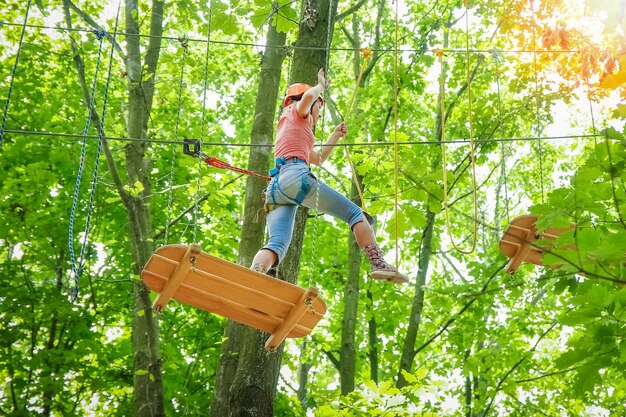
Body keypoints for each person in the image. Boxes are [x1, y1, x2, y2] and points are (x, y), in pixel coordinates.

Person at [250, 68, 409, 284]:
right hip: (295, 178)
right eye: (319, 107)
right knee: (355, 214)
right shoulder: (297, 110)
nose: (319, 114)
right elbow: (306, 99)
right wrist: (320, 87)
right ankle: (378, 262)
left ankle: (256, 272)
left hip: (277, 188)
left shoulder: (292, 127)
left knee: (277, 244)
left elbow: (317, 158)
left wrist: (334, 135)